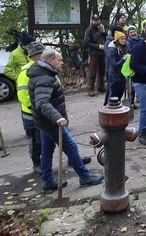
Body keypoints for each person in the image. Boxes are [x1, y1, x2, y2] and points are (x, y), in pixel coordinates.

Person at [28, 49, 104, 193]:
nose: (62, 63)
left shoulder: (43, 73)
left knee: (47, 151)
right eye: (60, 60)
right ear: (50, 61)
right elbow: (42, 102)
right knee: (71, 147)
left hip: (46, 122)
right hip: (51, 122)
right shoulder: (44, 78)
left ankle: (48, 181)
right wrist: (57, 116)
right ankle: (84, 176)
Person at [16, 42, 46, 173]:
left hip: (48, 111)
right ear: (35, 55)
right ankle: (36, 163)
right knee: (35, 141)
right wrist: (37, 107)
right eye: (42, 53)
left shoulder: (45, 67)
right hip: (33, 113)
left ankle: (72, 158)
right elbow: (23, 95)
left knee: (62, 135)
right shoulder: (25, 72)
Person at [83, 14, 107, 97]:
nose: (97, 22)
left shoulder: (100, 29)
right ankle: (90, 89)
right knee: (93, 71)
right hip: (94, 53)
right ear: (92, 21)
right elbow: (86, 42)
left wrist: (103, 32)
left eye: (98, 20)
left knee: (102, 70)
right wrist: (97, 46)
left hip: (102, 53)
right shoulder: (89, 30)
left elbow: (106, 39)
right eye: (95, 20)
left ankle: (101, 87)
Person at [105, 31, 129, 105]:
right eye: (122, 39)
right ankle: (109, 108)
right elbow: (114, 64)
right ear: (117, 40)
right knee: (113, 94)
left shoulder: (124, 48)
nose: (124, 40)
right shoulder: (112, 50)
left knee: (120, 93)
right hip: (114, 75)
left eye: (125, 39)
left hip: (122, 74)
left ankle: (116, 108)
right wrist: (123, 59)